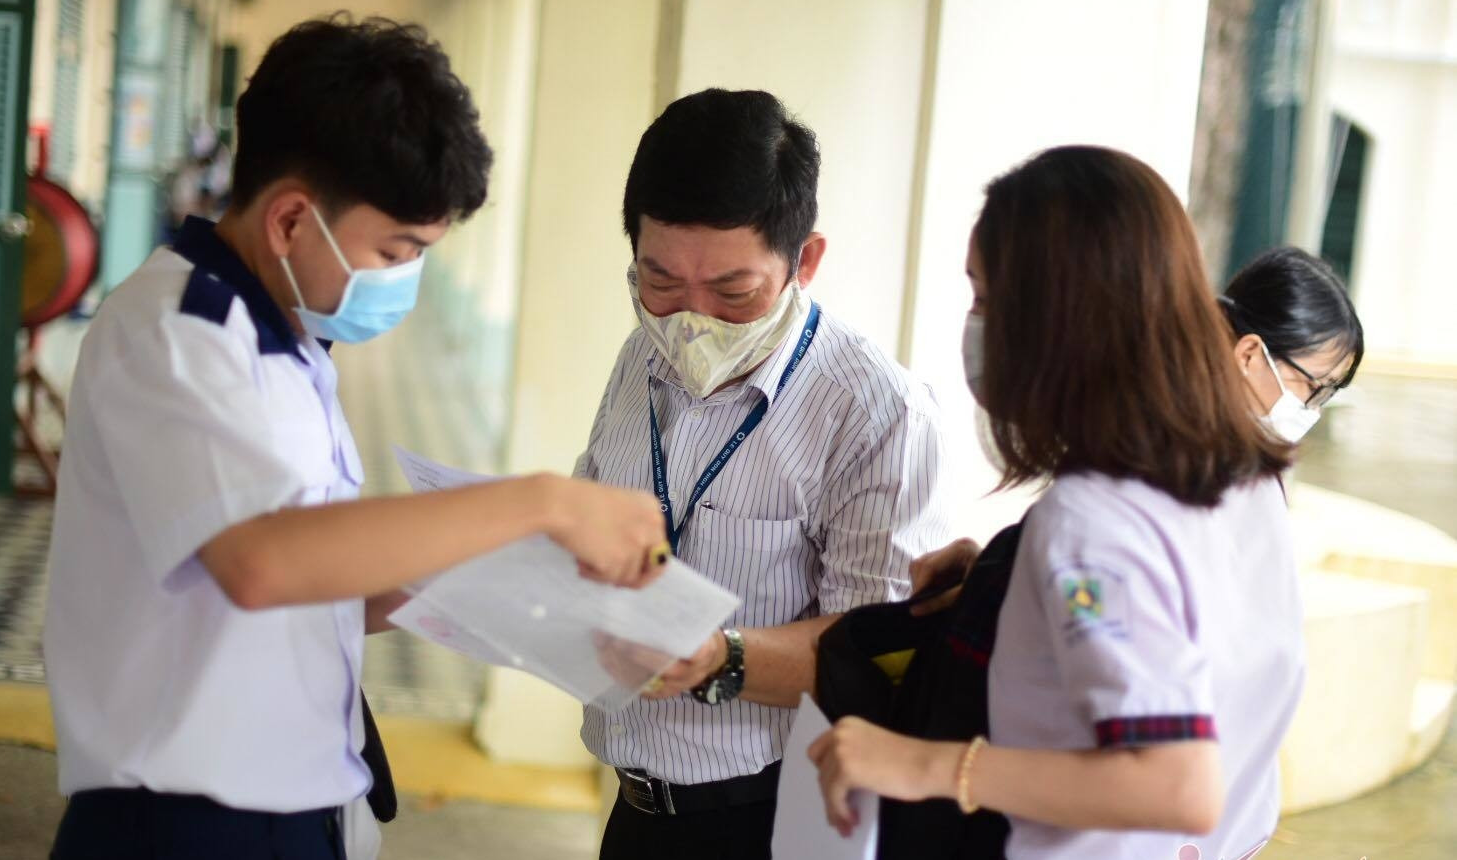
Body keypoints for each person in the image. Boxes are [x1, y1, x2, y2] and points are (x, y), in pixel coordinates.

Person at [43, 17, 667, 860]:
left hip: (296, 797)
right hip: (190, 819)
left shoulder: (290, 341)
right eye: (396, 248)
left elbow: (318, 575)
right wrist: (540, 505)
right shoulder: (178, 335)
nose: (405, 275)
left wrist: (493, 588)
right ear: (292, 219)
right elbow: (263, 563)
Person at [808, 145, 1305, 860]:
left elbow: (1175, 785)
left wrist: (921, 764)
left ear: (1054, 321)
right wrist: (1012, 585)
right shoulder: (1243, 473)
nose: (975, 324)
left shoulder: (1090, 527)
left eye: (984, 297)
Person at [576, 88, 951, 860]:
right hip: (633, 808)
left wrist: (720, 657)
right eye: (661, 282)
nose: (691, 321)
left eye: (733, 292)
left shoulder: (876, 412)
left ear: (804, 260)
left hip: (767, 820)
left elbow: (878, 663)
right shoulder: (640, 355)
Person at [1221, 246, 1365, 443]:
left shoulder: (1248, 454)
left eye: (1326, 393)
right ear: (1248, 355)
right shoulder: (1180, 455)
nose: (1315, 411)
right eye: (1313, 388)